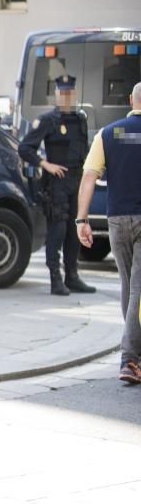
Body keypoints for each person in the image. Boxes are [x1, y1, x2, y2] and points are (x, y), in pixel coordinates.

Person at [76, 81, 141, 384]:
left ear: (131, 99)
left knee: (129, 285)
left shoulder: (110, 133)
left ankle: (133, 352)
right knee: (138, 290)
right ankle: (129, 359)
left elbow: (89, 176)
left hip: (116, 219)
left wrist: (82, 220)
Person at [18, 74, 97, 295]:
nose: (66, 97)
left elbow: (84, 149)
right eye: (62, 93)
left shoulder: (80, 119)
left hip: (77, 180)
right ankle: (56, 279)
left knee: (75, 230)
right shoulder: (48, 120)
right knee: (58, 230)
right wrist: (46, 165)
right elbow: (24, 148)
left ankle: (73, 276)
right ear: (56, 95)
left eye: (70, 93)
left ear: (75, 94)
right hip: (57, 183)